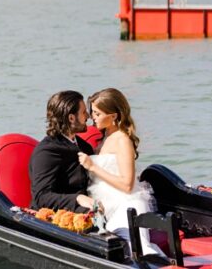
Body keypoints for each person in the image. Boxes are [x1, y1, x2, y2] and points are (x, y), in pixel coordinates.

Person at [78, 88, 163, 256]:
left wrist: (93, 167)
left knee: (136, 250)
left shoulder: (123, 140)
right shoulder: (106, 137)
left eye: (97, 113)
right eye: (92, 112)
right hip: (105, 205)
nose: (92, 118)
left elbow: (127, 185)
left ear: (113, 116)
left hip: (126, 204)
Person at [29, 90, 98, 212]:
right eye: (83, 112)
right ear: (71, 118)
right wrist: (77, 198)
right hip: (56, 216)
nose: (88, 116)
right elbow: (41, 197)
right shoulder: (46, 152)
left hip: (87, 207)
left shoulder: (85, 147)